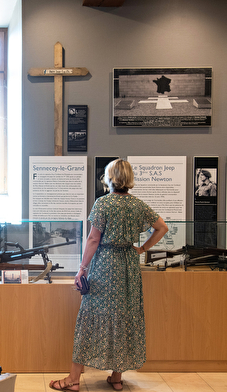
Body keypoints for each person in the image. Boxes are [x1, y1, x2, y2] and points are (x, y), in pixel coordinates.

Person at [49, 159, 168, 392]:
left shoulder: (103, 204)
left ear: (110, 178)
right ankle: (116, 378)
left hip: (105, 264)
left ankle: (73, 380)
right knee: (124, 316)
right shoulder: (138, 205)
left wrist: (82, 268)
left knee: (90, 316)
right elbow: (161, 227)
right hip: (128, 266)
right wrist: (142, 249)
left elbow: (93, 239)